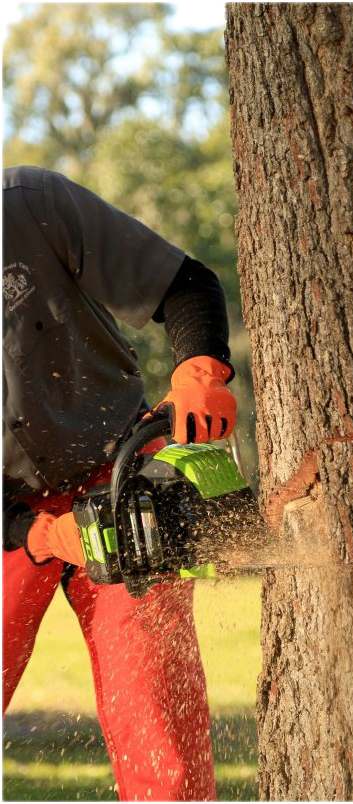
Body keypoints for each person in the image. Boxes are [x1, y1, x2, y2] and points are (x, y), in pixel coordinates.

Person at [3, 165, 238, 800]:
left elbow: (185, 284)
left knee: (160, 724)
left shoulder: (29, 205)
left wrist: (200, 370)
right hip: (10, 518)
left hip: (120, 475)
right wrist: (42, 534)